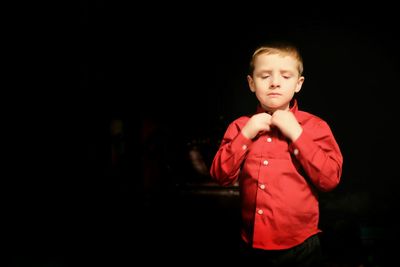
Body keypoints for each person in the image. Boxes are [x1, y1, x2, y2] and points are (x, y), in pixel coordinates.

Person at [209, 41, 343, 266]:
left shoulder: (315, 127)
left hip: (301, 246)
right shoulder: (240, 126)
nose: (275, 83)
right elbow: (220, 176)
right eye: (264, 76)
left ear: (298, 84)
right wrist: (247, 134)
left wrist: (296, 134)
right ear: (251, 83)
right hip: (249, 244)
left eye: (285, 76)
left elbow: (329, 180)